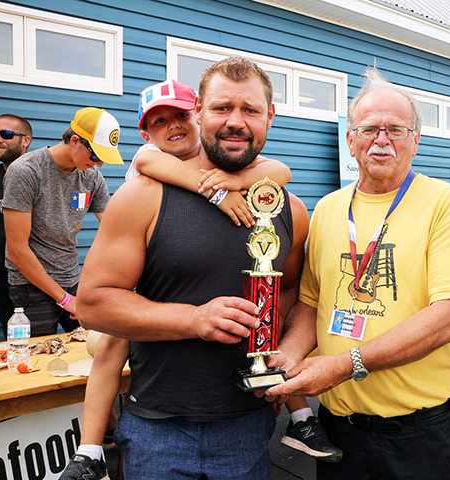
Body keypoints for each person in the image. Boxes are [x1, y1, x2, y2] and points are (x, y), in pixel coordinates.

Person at [75, 57, 309, 480]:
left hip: (249, 424)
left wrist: (276, 351)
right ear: (200, 111)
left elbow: (289, 291)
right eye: (221, 108)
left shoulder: (288, 208)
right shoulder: (141, 197)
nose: (236, 122)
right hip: (157, 429)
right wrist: (195, 318)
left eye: (250, 110)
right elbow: (92, 305)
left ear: (269, 117)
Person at [265, 68, 450, 480]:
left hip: (416, 437)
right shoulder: (329, 208)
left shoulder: (446, 204)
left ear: (416, 141)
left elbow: (448, 319)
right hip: (339, 431)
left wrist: (342, 365)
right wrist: (290, 356)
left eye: (396, 129)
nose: (382, 139)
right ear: (350, 140)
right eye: (369, 129)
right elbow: (312, 304)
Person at [3, 107, 123, 337]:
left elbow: (116, 230)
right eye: (96, 156)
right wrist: (65, 299)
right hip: (31, 287)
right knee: (36, 361)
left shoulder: (91, 176)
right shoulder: (26, 171)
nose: (99, 165)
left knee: (96, 347)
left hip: (72, 278)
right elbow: (16, 252)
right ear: (75, 141)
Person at [0, 114, 32, 337]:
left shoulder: (41, 175)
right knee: (16, 341)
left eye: (6, 134)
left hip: (40, 272)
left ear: (25, 140)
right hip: (2, 274)